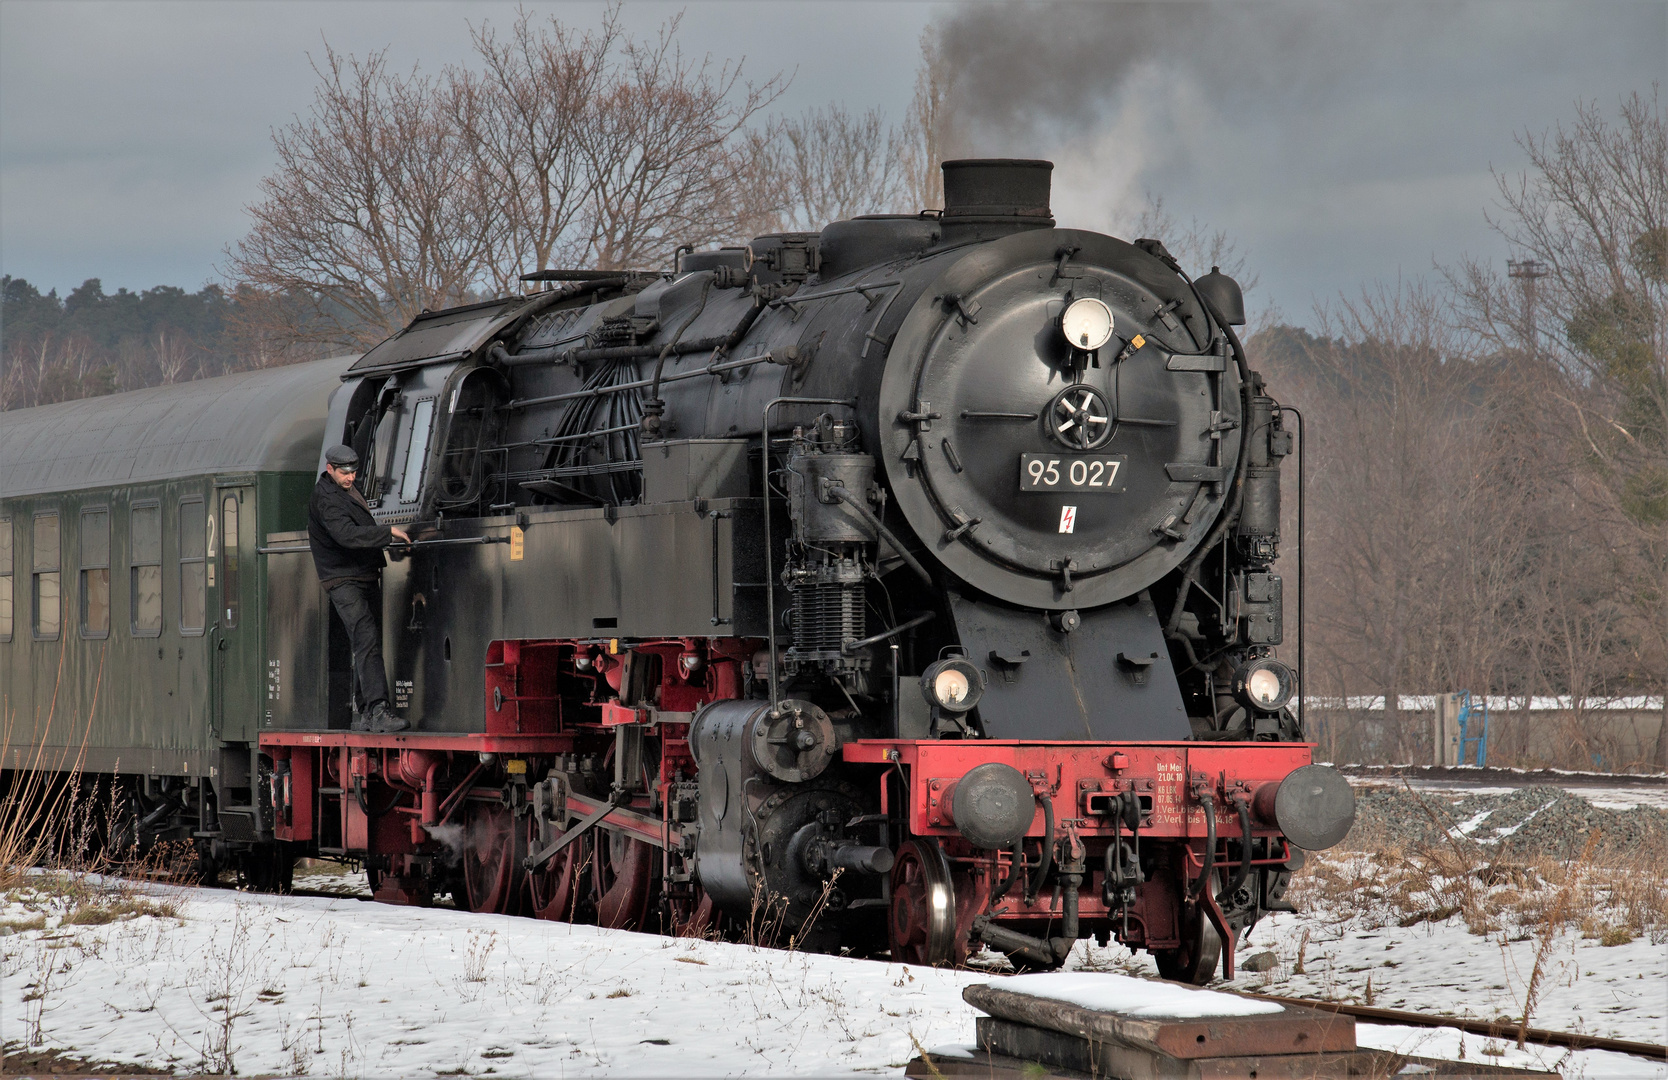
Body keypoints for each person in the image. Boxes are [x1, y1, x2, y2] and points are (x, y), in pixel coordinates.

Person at [308, 444, 412, 733]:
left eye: (353, 472)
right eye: (344, 473)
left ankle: (367, 711)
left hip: (363, 575)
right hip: (342, 578)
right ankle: (378, 710)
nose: (350, 477)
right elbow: (346, 535)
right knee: (365, 637)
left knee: (368, 640)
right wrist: (386, 532)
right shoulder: (326, 498)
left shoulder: (345, 490)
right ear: (330, 469)